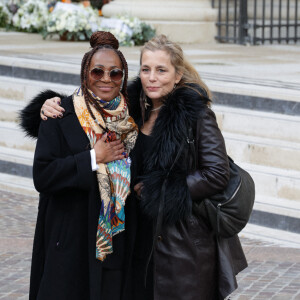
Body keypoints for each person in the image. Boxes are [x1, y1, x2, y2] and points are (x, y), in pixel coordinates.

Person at [21, 35, 248, 299]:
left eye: (161, 70)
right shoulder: (130, 112)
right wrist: (47, 105)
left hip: (179, 242)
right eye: (146, 69)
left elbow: (217, 173)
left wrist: (159, 190)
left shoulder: (194, 115)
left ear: (177, 76)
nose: (152, 77)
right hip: (134, 242)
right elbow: (84, 107)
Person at [22, 31, 139, 300]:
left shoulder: (130, 120)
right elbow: (43, 175)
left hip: (112, 242)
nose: (106, 79)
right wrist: (93, 159)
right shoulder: (60, 113)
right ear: (85, 73)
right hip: (69, 243)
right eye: (97, 72)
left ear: (124, 76)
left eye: (115, 73)